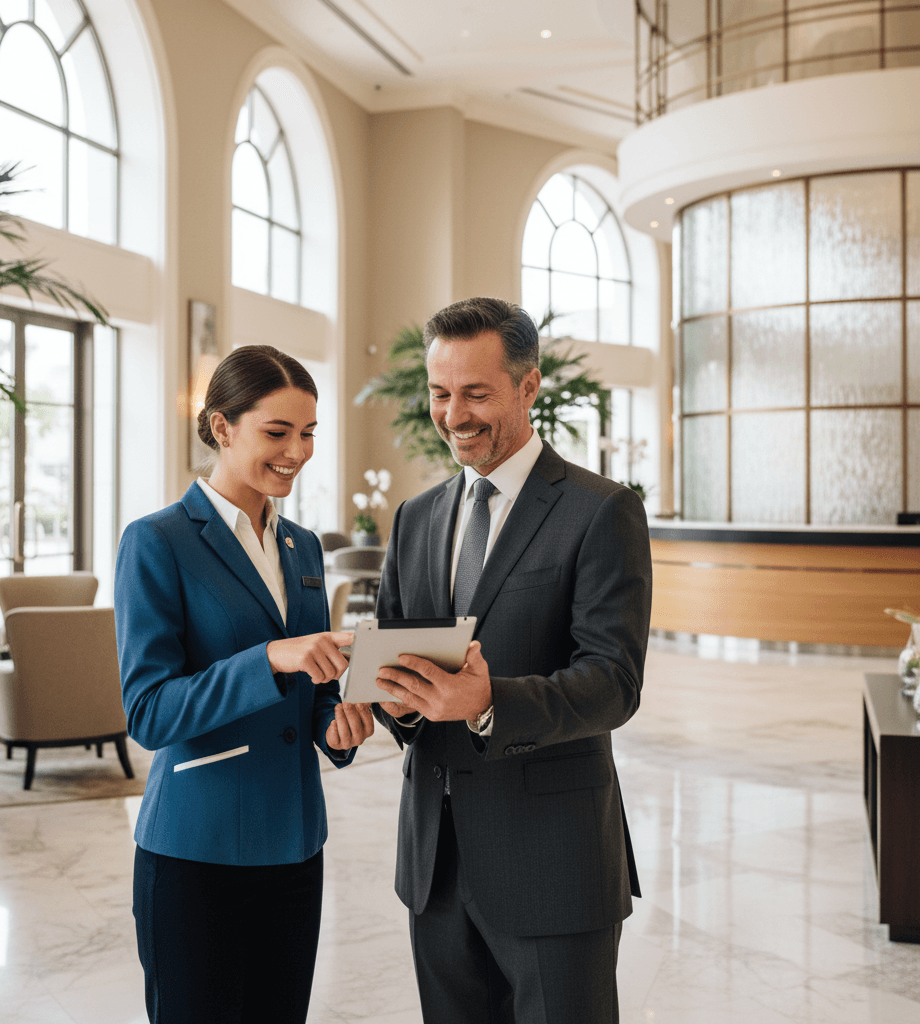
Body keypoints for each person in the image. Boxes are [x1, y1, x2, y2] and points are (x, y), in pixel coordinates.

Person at [371, 297, 652, 1024]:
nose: (452, 413)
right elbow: (393, 658)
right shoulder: (414, 518)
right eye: (439, 393)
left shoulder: (600, 510)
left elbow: (614, 682)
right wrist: (394, 703)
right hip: (434, 865)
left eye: (475, 393)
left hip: (553, 866)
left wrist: (489, 703)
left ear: (529, 387)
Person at [115, 344, 374, 1024]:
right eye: (278, 432)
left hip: (295, 846)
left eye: (309, 432)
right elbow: (148, 710)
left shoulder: (304, 548)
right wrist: (269, 659)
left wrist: (335, 725)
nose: (298, 451)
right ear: (222, 427)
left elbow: (316, 690)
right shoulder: (157, 541)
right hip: (197, 854)